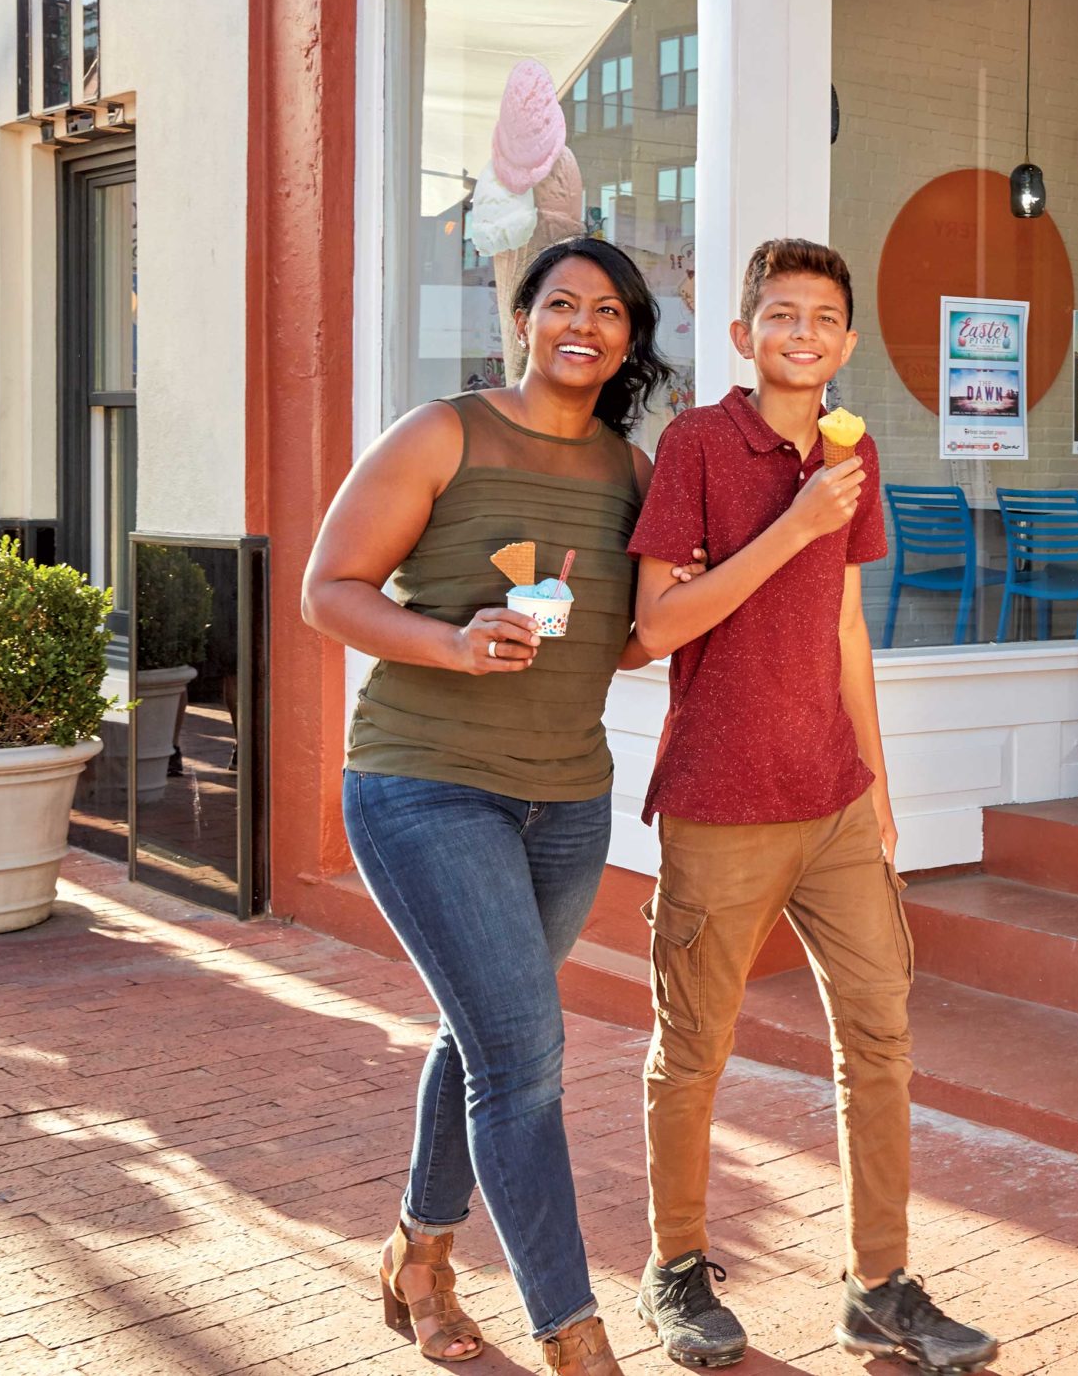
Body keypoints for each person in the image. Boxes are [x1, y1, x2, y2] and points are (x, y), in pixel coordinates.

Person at [304, 237, 697, 1376]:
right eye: (563, 303)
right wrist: (452, 641)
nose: (588, 324)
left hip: (568, 801)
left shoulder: (631, 474)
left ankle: (418, 1259)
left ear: (631, 337)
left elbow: (623, 644)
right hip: (423, 780)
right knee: (524, 1056)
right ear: (522, 317)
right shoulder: (444, 433)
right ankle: (574, 1336)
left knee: (483, 1038)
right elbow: (327, 591)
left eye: (612, 311)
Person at [625, 239, 997, 1372]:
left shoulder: (856, 452)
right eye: (779, 312)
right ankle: (674, 1268)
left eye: (824, 316)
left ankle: (877, 1285)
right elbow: (655, 629)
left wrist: (877, 784)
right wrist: (789, 522)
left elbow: (842, 624)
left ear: (844, 343)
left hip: (831, 799)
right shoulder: (696, 443)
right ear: (743, 337)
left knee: (880, 1037)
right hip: (720, 800)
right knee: (695, 1046)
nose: (803, 330)